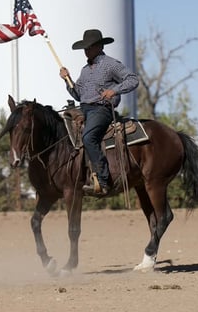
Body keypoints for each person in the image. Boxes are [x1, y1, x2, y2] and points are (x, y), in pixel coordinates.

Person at [59, 29, 139, 196]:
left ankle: (103, 181)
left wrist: (114, 90)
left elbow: (132, 79)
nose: (86, 51)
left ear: (99, 46)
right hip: (85, 108)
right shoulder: (85, 70)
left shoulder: (110, 64)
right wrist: (68, 80)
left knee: (89, 137)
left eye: (89, 47)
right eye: (84, 48)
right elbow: (78, 94)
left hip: (101, 109)